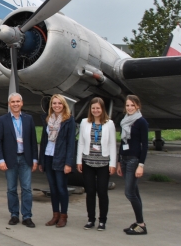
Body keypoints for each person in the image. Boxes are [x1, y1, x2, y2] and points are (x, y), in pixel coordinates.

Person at [0, 92, 38, 228]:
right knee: (11, 189)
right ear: (9, 104)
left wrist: (35, 159)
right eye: (13, 102)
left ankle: (27, 216)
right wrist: (0, 160)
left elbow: (33, 140)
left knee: (27, 189)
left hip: (26, 158)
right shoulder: (3, 120)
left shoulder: (28, 119)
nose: (15, 104)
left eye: (18, 101)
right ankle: (14, 214)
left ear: (22, 103)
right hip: (10, 159)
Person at [77, 97, 117, 231]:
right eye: (93, 108)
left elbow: (112, 144)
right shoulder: (84, 122)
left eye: (98, 108)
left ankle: (102, 220)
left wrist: (113, 163)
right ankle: (91, 219)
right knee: (90, 192)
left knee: (102, 192)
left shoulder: (109, 123)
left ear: (102, 109)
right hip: (88, 161)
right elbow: (81, 142)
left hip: (103, 163)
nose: (95, 110)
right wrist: (79, 160)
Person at [39, 95, 75, 228]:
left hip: (61, 157)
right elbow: (43, 141)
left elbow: (71, 143)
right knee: (53, 189)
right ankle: (55, 215)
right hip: (48, 156)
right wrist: (42, 160)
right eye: (54, 103)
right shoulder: (48, 119)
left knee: (61, 188)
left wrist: (68, 163)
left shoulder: (68, 120)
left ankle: (63, 216)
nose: (57, 106)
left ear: (64, 104)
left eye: (59, 103)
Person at [117, 95, 149, 235]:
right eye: (128, 105)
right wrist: (118, 161)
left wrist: (141, 165)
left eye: (132, 105)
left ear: (138, 106)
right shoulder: (124, 121)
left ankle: (141, 225)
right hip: (124, 159)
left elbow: (145, 145)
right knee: (134, 192)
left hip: (133, 160)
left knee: (129, 192)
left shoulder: (141, 122)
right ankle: (139, 222)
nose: (129, 108)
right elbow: (122, 143)